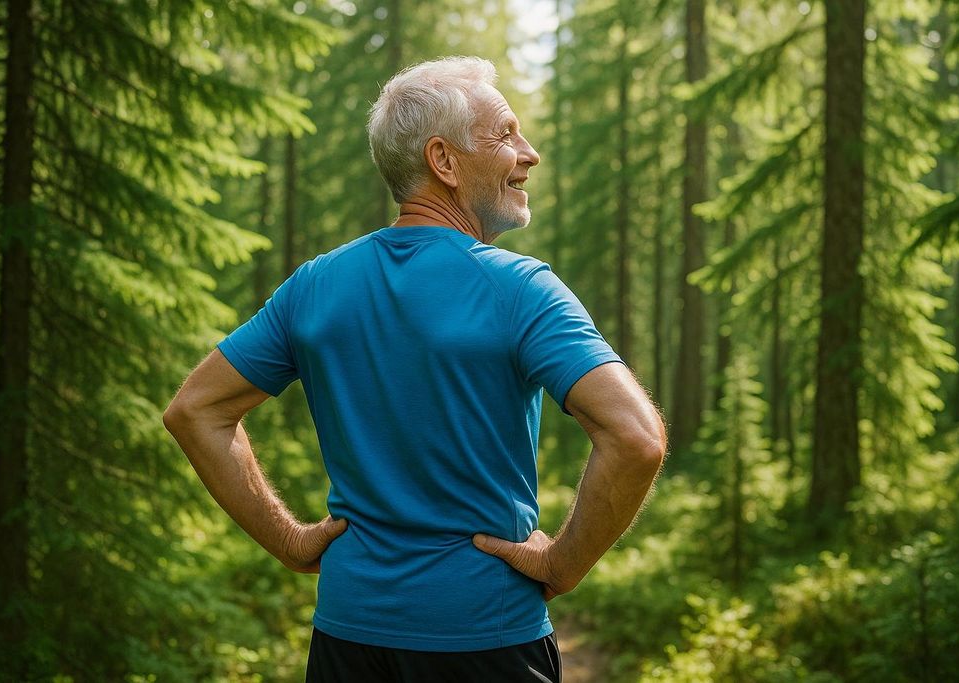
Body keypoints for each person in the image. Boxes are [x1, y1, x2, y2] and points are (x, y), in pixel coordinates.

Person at [163, 56, 666, 682]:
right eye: (506, 133)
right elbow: (637, 438)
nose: (529, 152)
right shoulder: (521, 288)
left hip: (348, 638)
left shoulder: (316, 285)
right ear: (444, 161)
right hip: (488, 637)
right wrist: (564, 565)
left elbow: (195, 410)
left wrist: (291, 543)